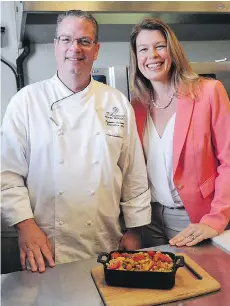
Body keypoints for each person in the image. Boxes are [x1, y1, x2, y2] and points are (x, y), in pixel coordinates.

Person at [1, 10, 151, 273]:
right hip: (45, 245)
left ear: (96, 49)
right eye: (67, 39)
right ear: (56, 46)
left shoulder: (116, 103)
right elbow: (6, 174)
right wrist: (24, 226)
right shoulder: (26, 101)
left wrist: (135, 230)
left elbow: (133, 173)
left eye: (84, 41)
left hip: (107, 241)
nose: (75, 48)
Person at [129, 18, 230, 248]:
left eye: (159, 46)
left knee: (206, 281)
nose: (152, 55)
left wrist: (215, 219)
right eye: (143, 49)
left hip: (196, 219)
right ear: (136, 58)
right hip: (149, 219)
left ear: (172, 51)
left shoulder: (209, 92)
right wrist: (132, 225)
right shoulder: (136, 106)